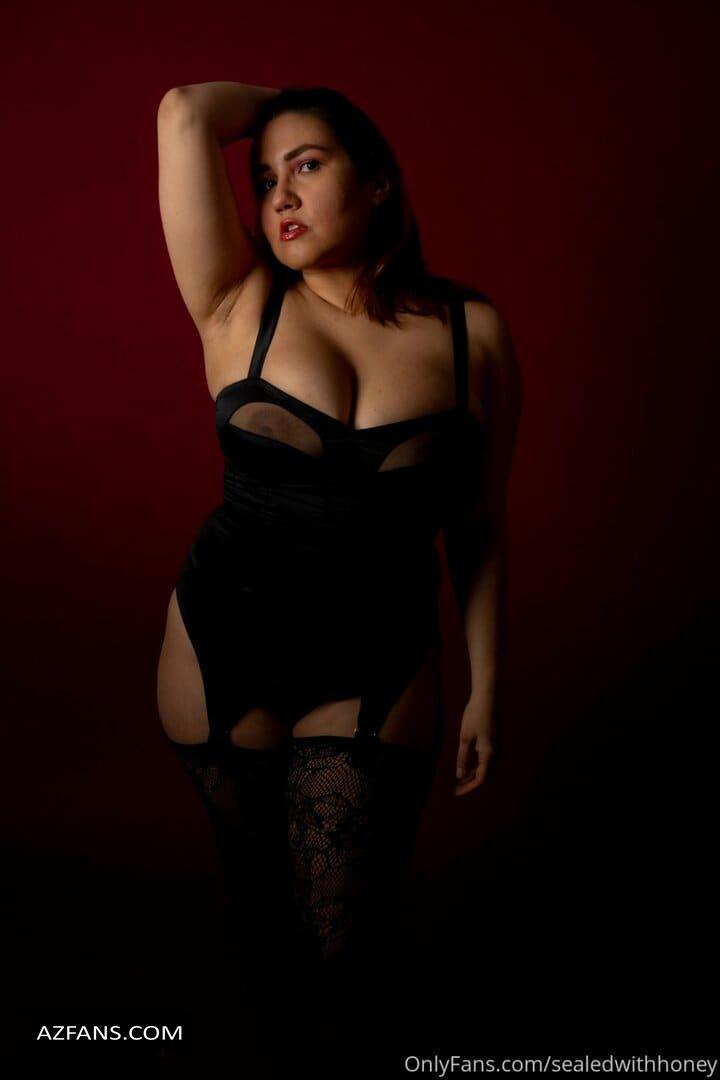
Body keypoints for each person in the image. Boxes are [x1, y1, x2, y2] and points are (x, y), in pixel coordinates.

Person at [154, 81, 522, 1078]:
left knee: (347, 936)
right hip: (222, 640)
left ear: (380, 182)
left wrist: (486, 685)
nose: (280, 195)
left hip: (377, 655)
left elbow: (478, 526)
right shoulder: (237, 299)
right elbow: (185, 111)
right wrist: (289, 107)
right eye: (265, 177)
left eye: (308, 165)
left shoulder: (472, 332)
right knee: (265, 917)